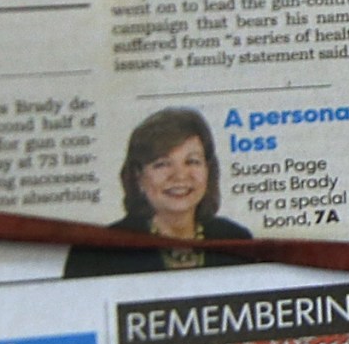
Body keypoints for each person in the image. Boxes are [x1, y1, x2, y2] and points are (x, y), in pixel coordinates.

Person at [63, 108, 255, 277]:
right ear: (138, 176)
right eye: (162, 164)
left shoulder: (237, 241)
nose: (180, 176)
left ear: (208, 170)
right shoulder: (97, 254)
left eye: (192, 161)